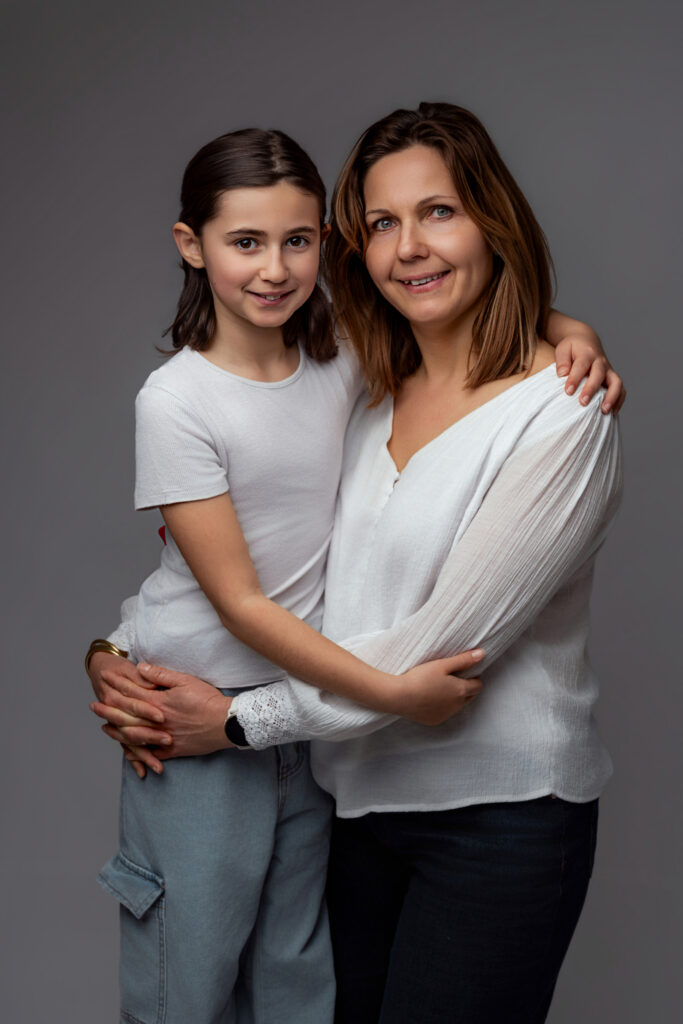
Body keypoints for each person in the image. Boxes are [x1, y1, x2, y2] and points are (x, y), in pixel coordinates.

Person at [89, 106, 624, 1024]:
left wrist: (237, 723)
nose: (410, 247)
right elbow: (231, 567)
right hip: (354, 803)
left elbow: (435, 652)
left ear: (494, 219)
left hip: (493, 816)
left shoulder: (560, 413)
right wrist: (113, 654)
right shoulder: (367, 385)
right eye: (383, 223)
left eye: (440, 213)